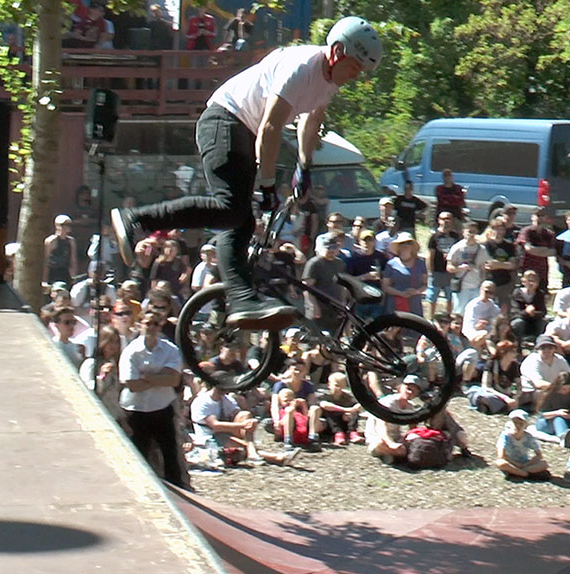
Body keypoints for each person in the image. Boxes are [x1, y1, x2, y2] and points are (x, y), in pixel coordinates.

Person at [111, 17, 383, 330]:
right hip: (223, 122)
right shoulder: (300, 67)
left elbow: (311, 121)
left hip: (242, 131)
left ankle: (241, 300)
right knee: (231, 208)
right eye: (354, 67)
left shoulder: (328, 81)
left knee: (239, 221)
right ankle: (138, 220)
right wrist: (266, 185)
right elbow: (270, 127)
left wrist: (305, 167)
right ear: (337, 52)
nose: (355, 76)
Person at [118, 312, 188, 487]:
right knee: (138, 454)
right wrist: (160, 378)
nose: (151, 327)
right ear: (140, 324)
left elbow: (174, 380)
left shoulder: (170, 349)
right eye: (147, 323)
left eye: (155, 324)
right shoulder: (131, 351)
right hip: (136, 410)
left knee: (170, 454)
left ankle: (178, 488)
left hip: (162, 408)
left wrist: (147, 377)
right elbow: (132, 384)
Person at [191, 376, 300, 465]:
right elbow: (215, 425)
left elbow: (237, 414)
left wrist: (249, 421)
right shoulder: (203, 401)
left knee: (245, 415)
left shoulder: (225, 399)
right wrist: (243, 425)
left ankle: (255, 451)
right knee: (242, 448)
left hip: (223, 433)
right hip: (209, 436)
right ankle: (276, 458)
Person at [365, 375, 423, 464]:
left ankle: (392, 455)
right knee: (381, 444)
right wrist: (390, 443)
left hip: (396, 438)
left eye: (414, 391)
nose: (410, 392)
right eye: (408, 388)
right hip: (378, 438)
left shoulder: (410, 407)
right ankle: (393, 454)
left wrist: (411, 438)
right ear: (400, 387)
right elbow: (381, 426)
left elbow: (413, 428)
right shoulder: (387, 402)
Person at [303, 235, 347, 332]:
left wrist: (343, 303)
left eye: (334, 247)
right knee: (316, 337)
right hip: (319, 307)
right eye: (328, 248)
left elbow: (343, 285)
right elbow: (307, 287)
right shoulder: (314, 263)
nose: (331, 251)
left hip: (335, 306)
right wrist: (314, 306)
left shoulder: (340, 263)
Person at [446, 221, 490, 314]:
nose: (471, 234)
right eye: (469, 231)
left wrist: (482, 285)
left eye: (474, 232)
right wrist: (460, 268)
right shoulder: (457, 247)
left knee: (474, 313)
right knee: (459, 313)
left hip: (476, 286)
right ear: (463, 232)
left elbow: (483, 269)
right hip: (462, 287)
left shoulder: (481, 249)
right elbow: (449, 267)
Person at [519, 335, 570, 410]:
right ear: (537, 349)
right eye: (543, 348)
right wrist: (559, 388)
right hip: (531, 395)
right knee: (542, 392)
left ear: (554, 349)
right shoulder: (531, 361)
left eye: (550, 348)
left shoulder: (560, 359)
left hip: (554, 391)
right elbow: (538, 384)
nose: (547, 350)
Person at [494, 409, 550, 480]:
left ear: (526, 425)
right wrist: (517, 464)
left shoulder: (528, 437)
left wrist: (526, 464)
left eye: (521, 423)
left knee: (544, 464)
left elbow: (539, 455)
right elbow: (501, 456)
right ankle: (525, 474)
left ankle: (517, 473)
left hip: (525, 463)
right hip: (510, 462)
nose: (517, 426)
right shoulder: (505, 436)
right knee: (500, 463)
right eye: (515, 423)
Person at [381, 231, 427, 316]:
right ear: (398, 246)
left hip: (414, 304)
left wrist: (416, 291)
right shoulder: (391, 264)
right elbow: (385, 286)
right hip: (395, 303)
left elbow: (425, 285)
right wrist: (401, 293)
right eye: (402, 243)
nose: (405, 245)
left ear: (413, 246)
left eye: (408, 243)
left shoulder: (421, 263)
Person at [425, 211, 460, 318]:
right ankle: (431, 318)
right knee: (433, 298)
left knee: (451, 297)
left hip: (450, 272)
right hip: (437, 271)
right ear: (439, 220)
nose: (446, 221)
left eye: (448, 218)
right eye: (443, 218)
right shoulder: (434, 237)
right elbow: (430, 255)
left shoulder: (456, 236)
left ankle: (448, 318)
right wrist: (430, 272)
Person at [535, 371, 570, 448]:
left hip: (566, 419)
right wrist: (558, 413)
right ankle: (563, 437)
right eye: (564, 389)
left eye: (569, 389)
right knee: (559, 418)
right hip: (546, 422)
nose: (566, 391)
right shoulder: (548, 395)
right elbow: (542, 414)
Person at [516, 207, 557, 293]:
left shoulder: (549, 234)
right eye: (537, 215)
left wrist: (536, 250)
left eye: (542, 215)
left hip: (542, 271)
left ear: (545, 217)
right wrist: (544, 250)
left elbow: (553, 252)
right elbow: (528, 248)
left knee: (541, 295)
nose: (539, 218)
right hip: (527, 269)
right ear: (532, 217)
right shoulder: (526, 231)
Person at [482, 218, 519, 312]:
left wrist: (498, 264)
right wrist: (504, 265)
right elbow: (487, 264)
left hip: (505, 282)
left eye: (501, 229)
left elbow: (513, 264)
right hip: (490, 281)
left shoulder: (509, 246)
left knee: (505, 308)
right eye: (496, 229)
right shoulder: (486, 245)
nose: (498, 232)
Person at [318, 372, 363, 446]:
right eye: (336, 385)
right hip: (331, 426)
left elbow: (359, 404)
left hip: (345, 423)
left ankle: (352, 432)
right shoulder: (325, 396)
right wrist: (345, 410)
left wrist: (351, 410)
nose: (338, 388)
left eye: (341, 386)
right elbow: (324, 405)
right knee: (330, 411)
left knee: (354, 411)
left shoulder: (347, 397)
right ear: (329, 384)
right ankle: (338, 434)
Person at [510, 270, 547, 342]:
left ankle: (539, 345)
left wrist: (534, 313)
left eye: (534, 281)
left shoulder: (540, 294)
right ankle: (518, 346)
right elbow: (514, 311)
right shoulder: (517, 293)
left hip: (535, 320)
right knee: (517, 323)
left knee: (543, 324)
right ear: (524, 282)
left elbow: (543, 312)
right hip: (521, 319)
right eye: (529, 280)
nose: (531, 283)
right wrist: (527, 312)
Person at [462, 281, 502, 349]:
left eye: (491, 293)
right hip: (473, 332)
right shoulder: (473, 305)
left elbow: (497, 317)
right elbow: (468, 326)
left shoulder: (492, 305)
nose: (488, 295)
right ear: (481, 289)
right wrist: (477, 327)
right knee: (483, 335)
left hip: (488, 332)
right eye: (486, 292)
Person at [44, 214, 77, 287]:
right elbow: (45, 261)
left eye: (68, 225)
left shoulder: (71, 241)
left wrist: (73, 276)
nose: (66, 227)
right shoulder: (51, 241)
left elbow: (73, 260)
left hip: (65, 273)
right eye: (63, 225)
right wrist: (44, 280)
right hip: (53, 273)